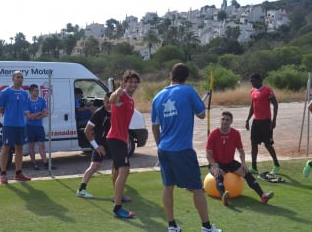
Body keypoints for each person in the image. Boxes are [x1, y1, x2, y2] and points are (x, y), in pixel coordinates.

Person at [151, 63, 222, 232]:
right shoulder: (189, 91)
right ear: (186, 77)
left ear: (171, 75)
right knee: (197, 188)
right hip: (182, 150)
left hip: (164, 149)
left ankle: (172, 226)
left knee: (168, 186)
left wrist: (159, 145)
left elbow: (155, 126)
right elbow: (202, 114)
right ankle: (206, 227)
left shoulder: (157, 97)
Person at [206, 111, 274, 206]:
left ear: (231, 122)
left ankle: (263, 196)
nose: (225, 121)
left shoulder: (235, 133)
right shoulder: (213, 134)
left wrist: (243, 163)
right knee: (219, 175)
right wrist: (214, 166)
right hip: (217, 162)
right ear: (220, 120)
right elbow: (208, 154)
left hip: (230, 162)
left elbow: (241, 151)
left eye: (227, 120)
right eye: (223, 119)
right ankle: (223, 197)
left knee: (246, 172)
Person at [106, 69, 140, 218]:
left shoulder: (131, 100)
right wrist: (118, 90)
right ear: (124, 83)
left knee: (117, 170)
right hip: (114, 138)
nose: (133, 84)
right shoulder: (121, 96)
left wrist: (126, 138)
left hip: (120, 139)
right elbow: (112, 100)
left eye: (135, 82)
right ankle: (117, 207)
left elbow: (124, 122)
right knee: (125, 170)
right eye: (129, 82)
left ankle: (117, 196)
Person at [0, 71, 31, 184]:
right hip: (9, 125)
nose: (20, 79)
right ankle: (3, 174)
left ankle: (18, 173)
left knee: (19, 149)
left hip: (21, 125)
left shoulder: (25, 93)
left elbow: (25, 108)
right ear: (13, 78)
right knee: (6, 148)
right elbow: (1, 108)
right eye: (18, 77)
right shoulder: (5, 92)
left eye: (22, 77)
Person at [245, 73, 280, 175]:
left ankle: (276, 165)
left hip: (266, 122)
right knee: (253, 144)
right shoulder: (252, 91)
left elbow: (275, 104)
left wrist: (274, 120)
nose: (252, 83)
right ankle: (254, 167)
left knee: (268, 144)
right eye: (251, 81)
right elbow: (252, 107)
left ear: (259, 80)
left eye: (253, 81)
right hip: (256, 122)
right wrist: (247, 120)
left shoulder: (267, 90)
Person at [26, 84, 56, 170]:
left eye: (38, 90)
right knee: (31, 146)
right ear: (31, 92)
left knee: (41, 145)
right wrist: (39, 113)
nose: (37, 92)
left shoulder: (42, 100)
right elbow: (29, 116)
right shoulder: (27, 102)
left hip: (39, 126)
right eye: (36, 90)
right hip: (30, 127)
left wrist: (35, 117)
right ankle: (34, 163)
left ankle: (46, 163)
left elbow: (46, 113)